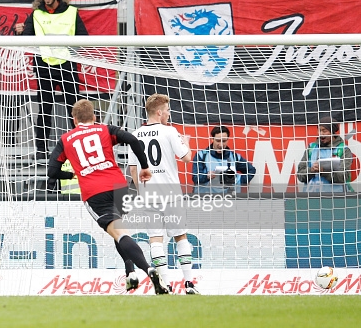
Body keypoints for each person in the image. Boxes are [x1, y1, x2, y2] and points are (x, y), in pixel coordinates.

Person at [47, 99, 167, 295]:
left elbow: (52, 171)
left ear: (74, 120)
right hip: (118, 186)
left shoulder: (66, 139)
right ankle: (130, 274)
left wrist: (71, 174)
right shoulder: (104, 129)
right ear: (94, 117)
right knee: (120, 231)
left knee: (119, 234)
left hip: (94, 191)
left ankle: (149, 270)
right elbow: (133, 140)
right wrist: (145, 167)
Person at [128, 94, 198, 294]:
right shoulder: (170, 131)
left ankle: (164, 284)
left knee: (155, 240)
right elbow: (186, 157)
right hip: (171, 193)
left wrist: (142, 192)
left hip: (149, 194)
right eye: (167, 110)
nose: (168, 113)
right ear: (159, 112)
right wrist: (186, 142)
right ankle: (189, 283)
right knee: (180, 236)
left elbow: (133, 170)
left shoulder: (135, 134)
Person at [20, 0, 88, 159]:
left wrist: (70, 52)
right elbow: (26, 39)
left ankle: (80, 149)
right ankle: (41, 152)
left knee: (75, 109)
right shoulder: (35, 14)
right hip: (44, 66)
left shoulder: (72, 12)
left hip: (67, 66)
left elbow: (84, 37)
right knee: (44, 109)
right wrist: (22, 31)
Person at [192, 125, 256, 193]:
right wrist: (207, 176)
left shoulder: (235, 157)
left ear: (228, 140)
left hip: (228, 200)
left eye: (224, 141)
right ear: (212, 139)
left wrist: (239, 181)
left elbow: (251, 170)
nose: (221, 144)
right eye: (218, 141)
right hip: (207, 200)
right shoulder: (201, 155)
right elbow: (195, 178)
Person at [296, 116, 352, 192]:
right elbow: (300, 176)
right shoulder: (311, 148)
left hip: (336, 199)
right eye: (319, 130)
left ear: (332, 132)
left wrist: (324, 171)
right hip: (312, 199)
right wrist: (311, 170)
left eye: (324, 131)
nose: (321, 134)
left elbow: (343, 177)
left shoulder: (343, 150)